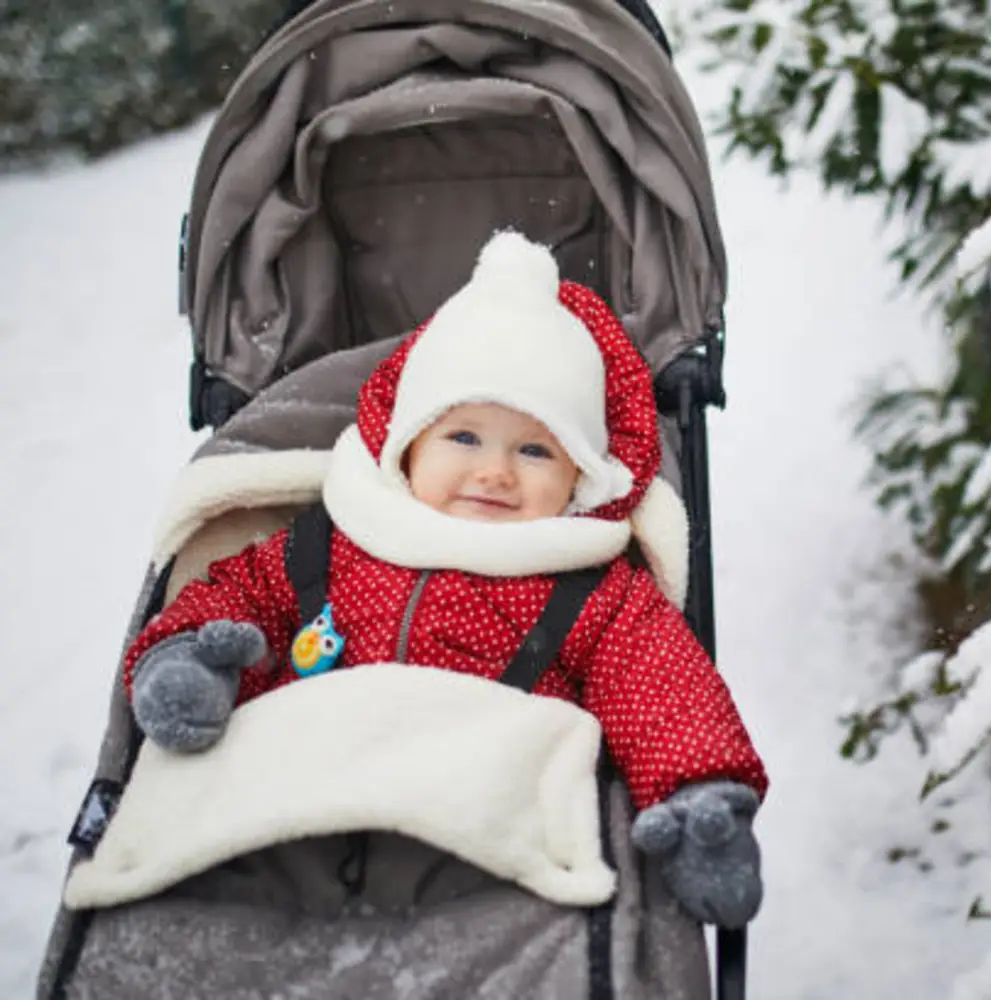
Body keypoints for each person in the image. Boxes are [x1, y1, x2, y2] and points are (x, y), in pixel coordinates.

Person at [121, 231, 767, 928]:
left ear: (580, 474)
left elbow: (661, 685)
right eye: (463, 437)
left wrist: (698, 791)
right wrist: (190, 656)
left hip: (486, 839)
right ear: (407, 445)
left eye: (534, 449)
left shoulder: (589, 587)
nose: (494, 471)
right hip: (296, 805)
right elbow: (238, 593)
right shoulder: (334, 542)